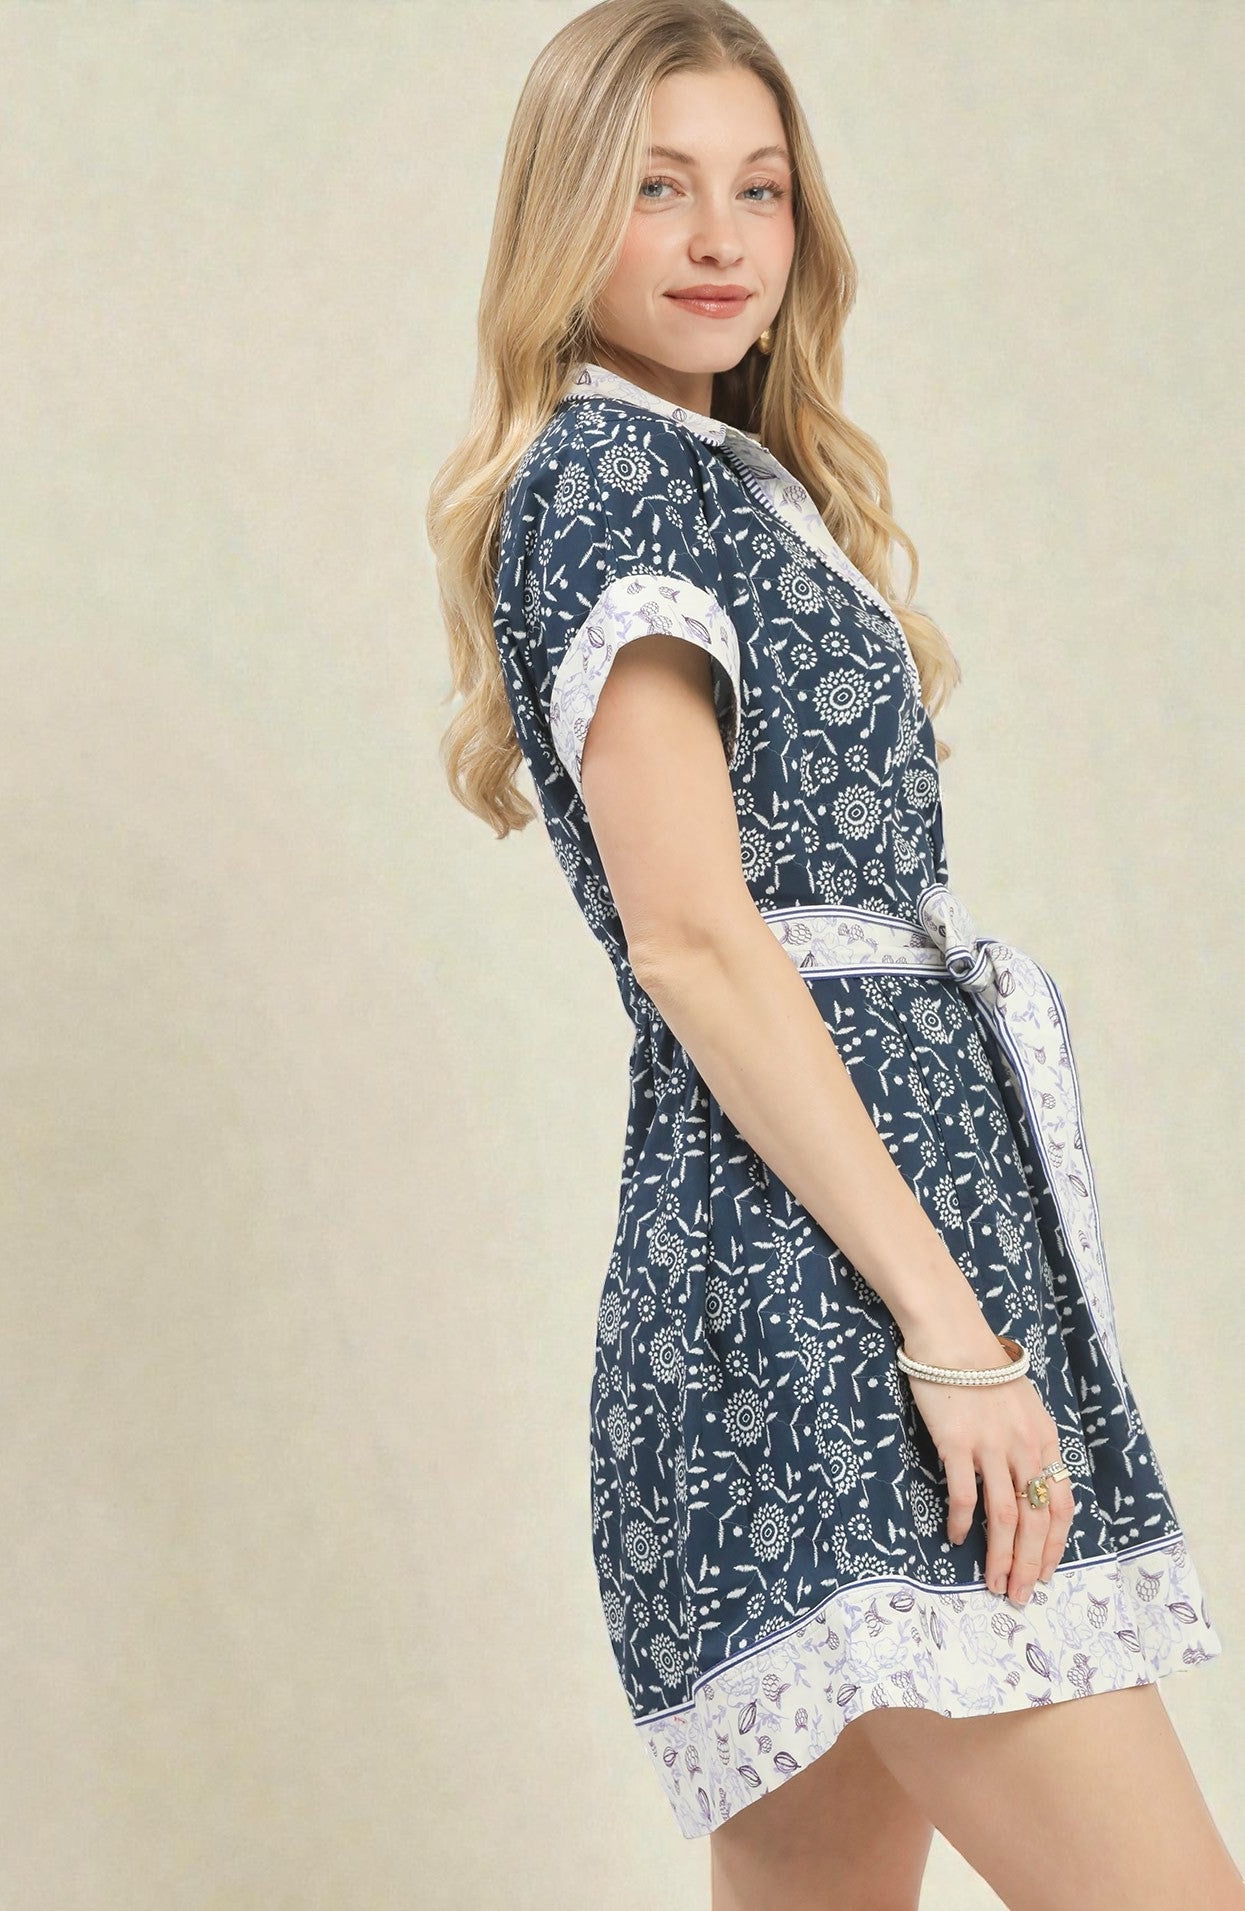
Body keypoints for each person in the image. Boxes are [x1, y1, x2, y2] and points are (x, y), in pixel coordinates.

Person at [428, 2, 1240, 1904]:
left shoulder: (724, 483)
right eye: (654, 189)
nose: (718, 237)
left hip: (811, 1284)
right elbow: (697, 942)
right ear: (565, 219)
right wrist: (950, 1334)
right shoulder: (613, 488)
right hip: (827, 1317)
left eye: (758, 190)